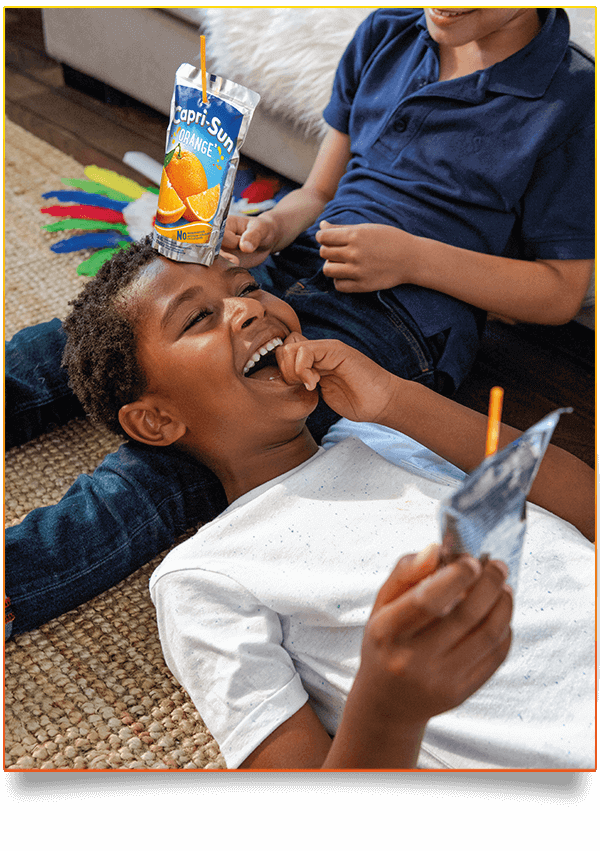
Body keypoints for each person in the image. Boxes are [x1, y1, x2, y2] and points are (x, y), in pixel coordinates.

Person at [5, 7, 594, 635]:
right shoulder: (388, 33)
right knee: (100, 337)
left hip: (398, 318)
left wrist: (410, 258)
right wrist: (271, 230)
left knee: (207, 445)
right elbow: (316, 194)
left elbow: (561, 293)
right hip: (298, 258)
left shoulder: (569, 96)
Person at [57, 243, 594, 769]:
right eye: (198, 317)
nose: (250, 308)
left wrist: (394, 399)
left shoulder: (392, 434)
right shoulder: (204, 579)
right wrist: (388, 709)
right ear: (156, 421)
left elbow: (586, 506)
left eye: (247, 286)